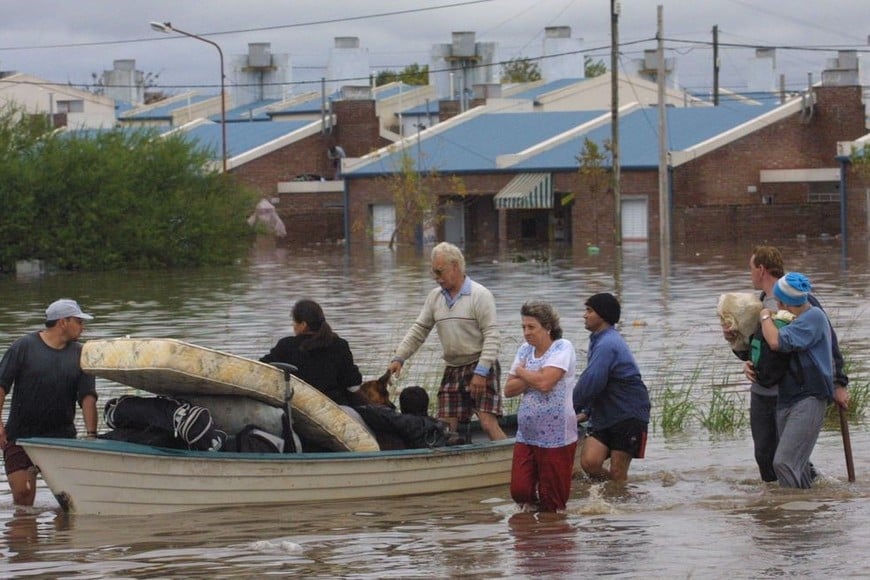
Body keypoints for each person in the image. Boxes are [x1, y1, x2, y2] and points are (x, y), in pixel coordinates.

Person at [723, 245, 849, 482]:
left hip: (792, 390)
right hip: (763, 390)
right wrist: (742, 353)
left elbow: (829, 343)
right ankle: (779, 510)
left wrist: (839, 382)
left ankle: (801, 502)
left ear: (761, 269)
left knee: (787, 459)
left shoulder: (805, 304)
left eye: (751, 268)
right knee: (766, 457)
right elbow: (755, 348)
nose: (749, 274)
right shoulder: (756, 304)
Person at [388, 242, 506, 440]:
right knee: (445, 428)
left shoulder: (480, 295)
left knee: (487, 423)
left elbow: (492, 335)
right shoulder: (435, 298)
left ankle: (511, 462)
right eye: (433, 272)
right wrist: (400, 357)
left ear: (455, 267)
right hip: (453, 368)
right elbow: (419, 329)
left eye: (439, 271)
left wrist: (481, 371)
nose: (436, 277)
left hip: (480, 366)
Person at [0, 299, 98, 507]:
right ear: (63, 322)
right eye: (79, 321)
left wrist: (92, 435)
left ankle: (62, 538)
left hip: (62, 439)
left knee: (69, 502)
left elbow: (87, 397)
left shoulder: (82, 354)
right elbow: (1, 387)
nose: (83, 327)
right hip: (21, 436)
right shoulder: (23, 347)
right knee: (23, 497)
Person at [760, 272, 849, 488]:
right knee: (798, 467)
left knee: (784, 462)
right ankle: (806, 512)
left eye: (779, 300)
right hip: (787, 397)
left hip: (810, 396)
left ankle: (793, 513)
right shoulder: (786, 319)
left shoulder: (814, 317)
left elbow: (775, 341)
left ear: (786, 302)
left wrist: (763, 315)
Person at [505, 302, 577, 512]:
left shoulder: (563, 347)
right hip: (527, 434)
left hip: (557, 436)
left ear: (547, 327)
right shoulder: (524, 351)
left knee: (553, 501)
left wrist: (523, 372)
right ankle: (532, 536)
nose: (526, 333)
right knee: (520, 491)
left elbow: (546, 384)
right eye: (523, 327)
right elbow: (508, 390)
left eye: (531, 327)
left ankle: (552, 536)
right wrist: (534, 376)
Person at [573, 293, 650, 482]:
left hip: (628, 413)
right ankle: (613, 494)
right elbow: (599, 382)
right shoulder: (598, 340)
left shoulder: (608, 343)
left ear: (602, 314)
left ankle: (619, 500)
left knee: (617, 471)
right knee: (590, 463)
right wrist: (587, 411)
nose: (584, 315)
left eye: (589, 310)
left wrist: (568, 408)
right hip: (605, 414)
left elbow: (592, 381)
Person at [260, 299, 362, 406]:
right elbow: (352, 385)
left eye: (294, 322)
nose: (293, 326)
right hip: (336, 408)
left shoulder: (286, 345)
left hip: (298, 408)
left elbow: (262, 368)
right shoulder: (340, 345)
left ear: (303, 325)